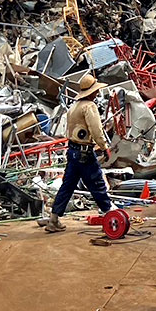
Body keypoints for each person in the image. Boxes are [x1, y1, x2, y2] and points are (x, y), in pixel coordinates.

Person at [43, 73, 115, 233]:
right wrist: (104, 147)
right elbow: (96, 130)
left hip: (73, 150)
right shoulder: (89, 107)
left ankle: (53, 219)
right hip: (85, 153)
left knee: (67, 185)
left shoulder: (74, 107)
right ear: (92, 92)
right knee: (96, 182)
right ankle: (109, 214)